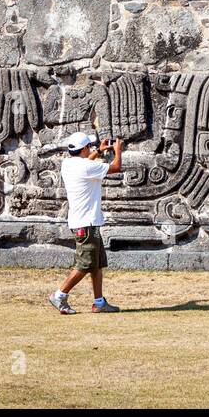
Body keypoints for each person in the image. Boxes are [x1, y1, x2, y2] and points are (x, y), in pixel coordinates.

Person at [48, 132, 123, 314]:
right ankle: (59, 295)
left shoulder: (68, 163)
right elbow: (116, 167)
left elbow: (86, 162)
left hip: (86, 222)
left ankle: (99, 302)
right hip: (86, 224)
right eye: (89, 146)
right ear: (83, 149)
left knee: (96, 263)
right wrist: (118, 150)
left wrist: (98, 151)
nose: (90, 149)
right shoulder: (87, 167)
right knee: (85, 264)